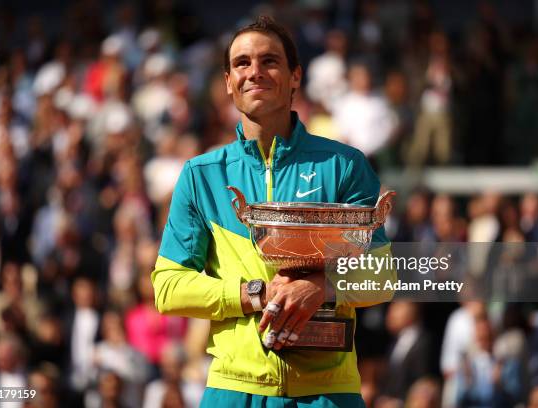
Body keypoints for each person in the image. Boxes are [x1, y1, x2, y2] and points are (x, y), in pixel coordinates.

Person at [152, 16, 393, 407]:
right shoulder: (200, 175)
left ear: (295, 76)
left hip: (329, 392)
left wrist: (320, 287)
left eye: (270, 61)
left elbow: (382, 273)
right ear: (228, 82)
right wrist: (256, 294)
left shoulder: (344, 165)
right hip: (233, 389)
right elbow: (167, 287)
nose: (255, 72)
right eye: (242, 63)